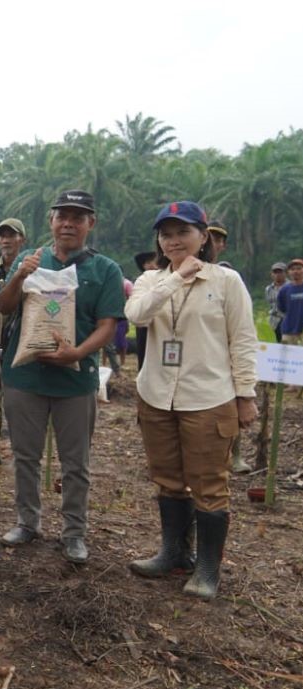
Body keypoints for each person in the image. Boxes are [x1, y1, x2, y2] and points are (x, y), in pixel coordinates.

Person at [126, 201, 258, 600]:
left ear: (203, 237)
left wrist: (245, 395)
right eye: (166, 234)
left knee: (209, 484)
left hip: (208, 397)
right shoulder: (150, 280)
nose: (173, 240)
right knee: (167, 479)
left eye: (183, 232)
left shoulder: (226, 282)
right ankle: (173, 552)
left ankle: (207, 568)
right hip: (156, 396)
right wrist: (175, 278)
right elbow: (137, 314)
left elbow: (243, 339)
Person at [0, 190, 125, 563]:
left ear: (90, 224)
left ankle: (73, 532)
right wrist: (20, 275)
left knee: (76, 462)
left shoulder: (105, 270)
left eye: (78, 217)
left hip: (75, 380)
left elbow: (107, 325)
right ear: (51, 221)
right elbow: (4, 307)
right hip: (25, 378)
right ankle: (27, 522)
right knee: (25, 456)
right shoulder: (30, 259)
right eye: (62, 216)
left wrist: (78, 353)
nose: (68, 223)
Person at [0, 218, 27, 461]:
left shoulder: (31, 266)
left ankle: (18, 447)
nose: (5, 240)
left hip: (17, 341)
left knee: (13, 397)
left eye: (11, 235)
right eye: (2, 236)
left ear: (22, 239)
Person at [133, 251, 159, 369]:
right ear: (144, 266)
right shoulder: (142, 282)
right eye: (149, 262)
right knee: (144, 352)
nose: (153, 265)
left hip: (159, 323)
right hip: (144, 324)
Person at [277, 259, 303, 345]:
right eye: (293, 269)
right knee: (287, 357)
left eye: (299, 268)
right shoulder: (284, 290)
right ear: (288, 272)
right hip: (289, 330)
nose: (296, 271)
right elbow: (282, 308)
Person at [267, 262, 288, 343]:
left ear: (285, 273)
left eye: (280, 272)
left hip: (286, 319)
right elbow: (270, 304)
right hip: (274, 320)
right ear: (271, 274)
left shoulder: (290, 287)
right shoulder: (269, 289)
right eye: (275, 272)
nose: (277, 275)